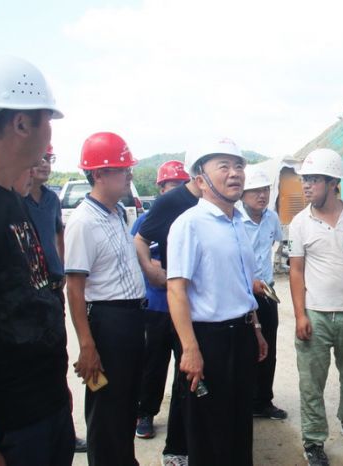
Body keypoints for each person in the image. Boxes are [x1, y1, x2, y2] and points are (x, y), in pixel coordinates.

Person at [0, 54, 75, 466]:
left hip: (45, 407)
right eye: (48, 120)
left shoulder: (13, 198)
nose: (50, 133)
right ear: (21, 123)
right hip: (12, 425)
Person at [166, 138, 268, 466]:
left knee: (239, 424)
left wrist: (255, 328)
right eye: (223, 166)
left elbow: (242, 284)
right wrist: (189, 349)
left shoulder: (238, 221)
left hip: (242, 335)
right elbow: (176, 290)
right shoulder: (189, 224)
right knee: (210, 432)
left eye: (238, 165)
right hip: (208, 340)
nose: (235, 173)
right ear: (200, 180)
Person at [289, 148, 343, 466]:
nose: (306, 185)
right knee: (311, 382)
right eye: (305, 179)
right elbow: (296, 271)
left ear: (333, 182)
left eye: (313, 179)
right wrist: (300, 314)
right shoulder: (300, 222)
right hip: (315, 315)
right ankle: (313, 440)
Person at [65, 132, 146, 466]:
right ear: (99, 174)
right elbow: (74, 288)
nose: (129, 175)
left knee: (126, 402)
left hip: (131, 319)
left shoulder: (117, 212)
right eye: (122, 169)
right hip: (108, 322)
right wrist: (87, 344)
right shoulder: (83, 222)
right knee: (106, 407)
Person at [134, 156, 201, 466]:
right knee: (153, 363)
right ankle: (145, 413)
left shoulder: (195, 213)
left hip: (184, 307)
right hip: (157, 304)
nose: (175, 189)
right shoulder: (149, 219)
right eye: (170, 185)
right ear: (161, 188)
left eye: (180, 184)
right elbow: (139, 248)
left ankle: (184, 429)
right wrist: (152, 271)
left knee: (184, 368)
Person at [24, 144, 89, 453]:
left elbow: (58, 233)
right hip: (26, 293)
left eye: (48, 158)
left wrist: (61, 267)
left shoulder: (51, 199)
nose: (45, 164)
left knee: (57, 358)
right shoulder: (14, 198)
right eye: (39, 158)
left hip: (51, 289)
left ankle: (65, 432)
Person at [240, 166, 287, 420]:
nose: (262, 195)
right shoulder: (234, 220)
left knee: (269, 347)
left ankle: (263, 401)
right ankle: (243, 402)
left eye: (265, 190)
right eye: (255, 190)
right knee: (244, 348)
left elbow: (274, 243)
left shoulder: (272, 218)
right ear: (243, 194)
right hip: (241, 294)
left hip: (267, 293)